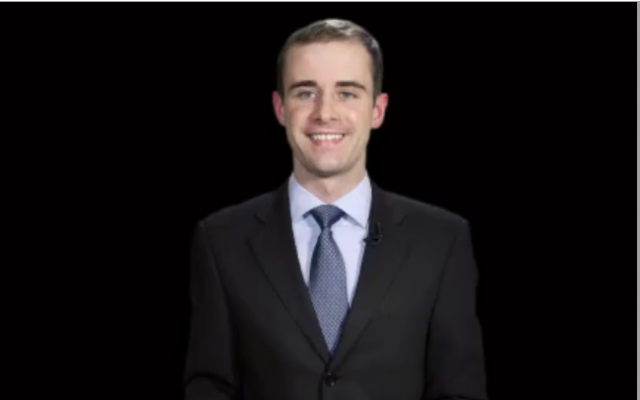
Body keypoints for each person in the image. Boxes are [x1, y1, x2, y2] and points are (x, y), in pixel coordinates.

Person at [183, 18, 488, 400]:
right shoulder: (221, 240)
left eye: (347, 93)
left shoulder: (441, 240)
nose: (324, 113)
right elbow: (209, 387)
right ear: (280, 107)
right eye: (305, 92)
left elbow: (459, 391)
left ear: (378, 110)